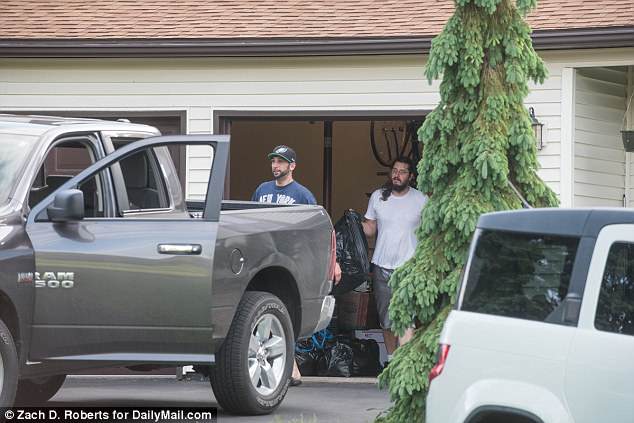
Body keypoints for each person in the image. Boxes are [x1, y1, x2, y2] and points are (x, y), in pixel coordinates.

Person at [252, 145, 341, 386]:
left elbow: (319, 231)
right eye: (273, 161)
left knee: (284, 313)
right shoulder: (261, 190)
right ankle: (288, 370)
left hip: (291, 263)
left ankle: (290, 369)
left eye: (281, 162)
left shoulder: (303, 195)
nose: (275, 166)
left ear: (292, 166)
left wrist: (333, 262)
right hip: (263, 261)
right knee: (265, 313)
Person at [362, 156, 428, 362]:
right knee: (386, 319)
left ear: (411, 176)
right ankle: (391, 361)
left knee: (406, 317)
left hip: (410, 267)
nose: (397, 175)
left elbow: (429, 231)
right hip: (381, 265)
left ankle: (404, 364)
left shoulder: (421, 199)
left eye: (402, 172)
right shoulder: (378, 197)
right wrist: (353, 223)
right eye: (394, 171)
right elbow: (370, 229)